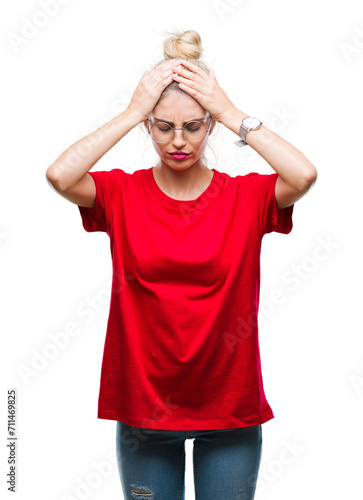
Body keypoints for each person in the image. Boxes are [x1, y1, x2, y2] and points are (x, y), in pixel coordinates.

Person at [46, 29, 317, 500]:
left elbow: (303, 174)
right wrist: (132, 111)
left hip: (228, 410)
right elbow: (60, 175)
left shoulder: (244, 197)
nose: (177, 141)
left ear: (209, 126)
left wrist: (230, 112)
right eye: (162, 126)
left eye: (193, 126)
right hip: (145, 414)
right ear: (149, 127)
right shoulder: (121, 195)